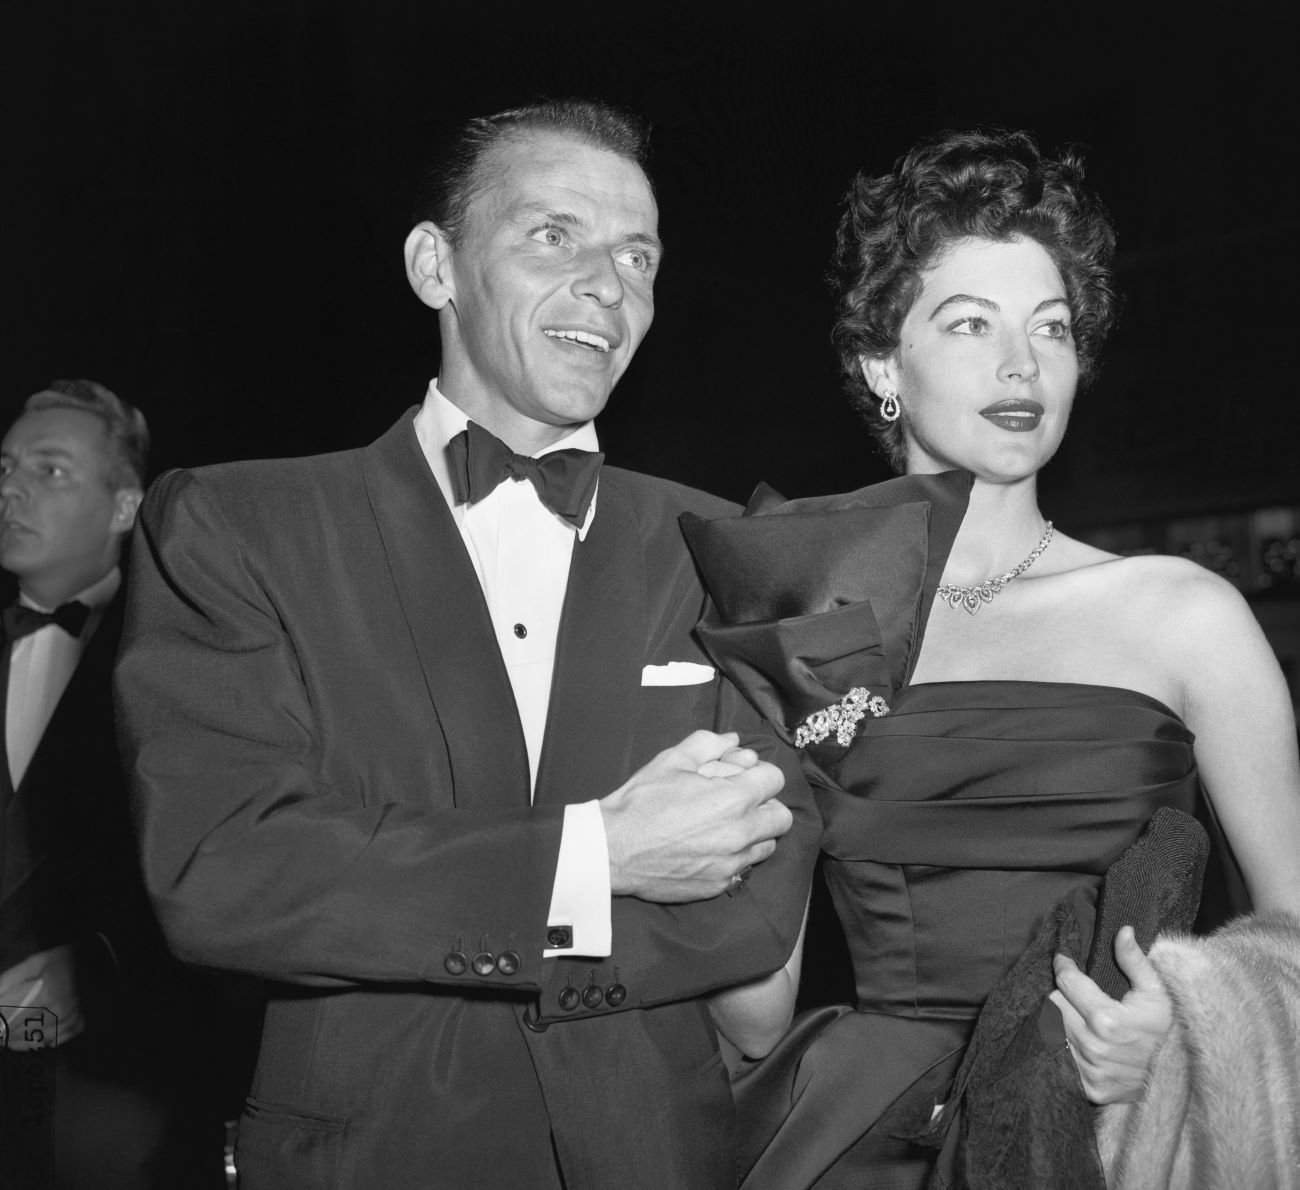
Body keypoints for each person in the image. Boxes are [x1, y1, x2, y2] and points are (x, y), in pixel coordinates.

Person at [115, 98, 818, 1190]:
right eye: (554, 235)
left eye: (638, 253)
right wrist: (602, 857)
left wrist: (388, 887)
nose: (608, 283)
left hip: (658, 1154)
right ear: (433, 265)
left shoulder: (732, 547)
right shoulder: (235, 524)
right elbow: (228, 871)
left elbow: (759, 903)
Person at [681, 129, 1300, 1188]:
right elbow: (753, 1009)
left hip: (1110, 1136)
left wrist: (1188, 1013)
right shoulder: (806, 625)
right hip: (866, 1139)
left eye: (1050, 329)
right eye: (969, 323)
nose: (1021, 364)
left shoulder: (1185, 614)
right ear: (883, 363)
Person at [0, 380, 223, 1187]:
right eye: (6, 466)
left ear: (125, 507)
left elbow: (221, 868)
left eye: (50, 470)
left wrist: (93, 970)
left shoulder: (186, 657)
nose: (11, 487)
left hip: (113, 1093)